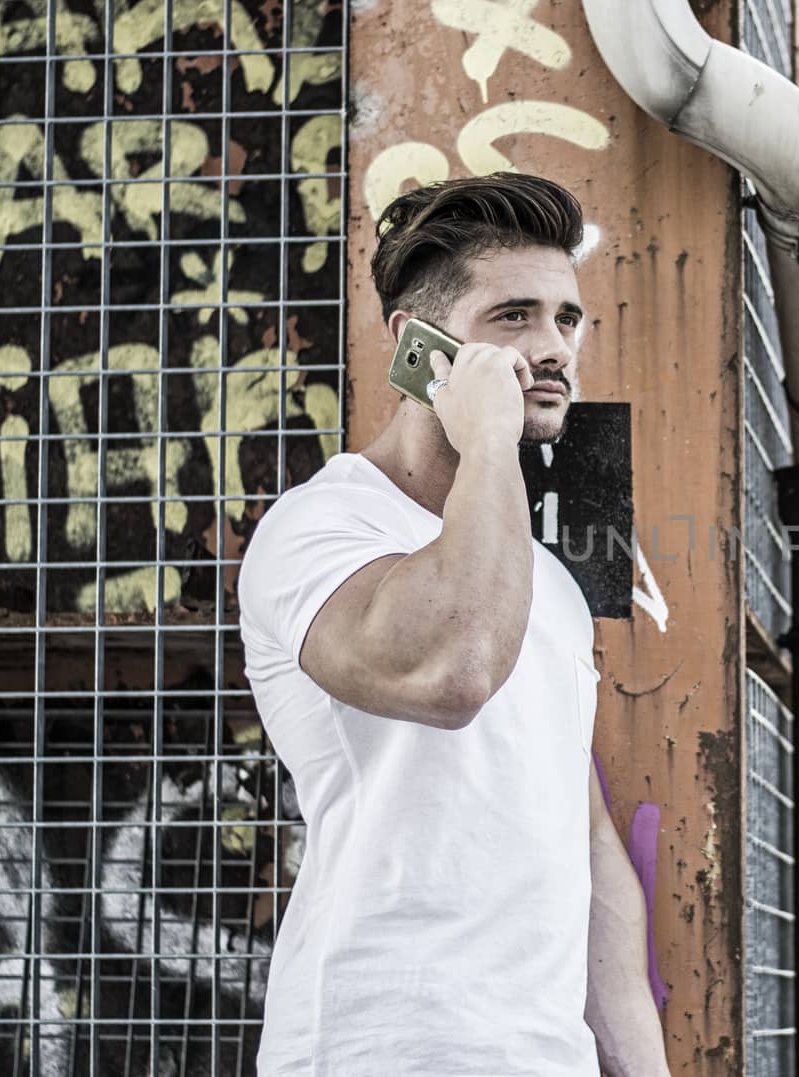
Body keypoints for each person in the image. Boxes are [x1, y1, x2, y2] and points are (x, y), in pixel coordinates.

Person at [238, 173, 669, 1076]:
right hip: (376, 1047)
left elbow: (585, 849)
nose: (553, 347)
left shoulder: (544, 586)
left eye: (568, 318)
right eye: (513, 315)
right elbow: (455, 669)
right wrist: (488, 439)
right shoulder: (321, 529)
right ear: (417, 344)